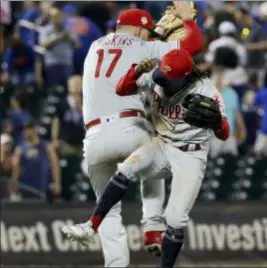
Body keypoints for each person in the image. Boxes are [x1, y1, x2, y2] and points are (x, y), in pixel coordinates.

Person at [61, 3, 203, 267]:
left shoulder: (93, 47)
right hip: (130, 130)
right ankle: (152, 226)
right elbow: (193, 45)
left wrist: (155, 32)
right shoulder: (142, 46)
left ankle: (115, 264)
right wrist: (186, 20)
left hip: (93, 139)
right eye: (147, 32)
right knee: (157, 157)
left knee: (108, 211)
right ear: (140, 31)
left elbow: (124, 56)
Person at [74, 49, 229, 268]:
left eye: (168, 78)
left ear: (183, 77)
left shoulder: (205, 90)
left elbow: (225, 133)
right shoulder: (158, 75)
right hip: (162, 144)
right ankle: (92, 226)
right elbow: (122, 89)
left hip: (190, 154)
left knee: (175, 219)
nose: (162, 80)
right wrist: (135, 71)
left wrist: (216, 122)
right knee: (126, 168)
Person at [11, 122, 61, 201]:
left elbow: (55, 165)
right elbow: (16, 168)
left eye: (29, 129)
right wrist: (14, 186)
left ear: (34, 130)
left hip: (44, 186)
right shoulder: (20, 149)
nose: (26, 132)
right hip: (26, 187)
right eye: (25, 129)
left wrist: (57, 183)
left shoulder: (47, 146)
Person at [38, 6, 79, 88]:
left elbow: (78, 45)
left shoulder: (68, 29)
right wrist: (56, 38)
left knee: (67, 89)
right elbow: (43, 45)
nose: (57, 19)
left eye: (58, 16)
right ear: (50, 18)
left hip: (66, 63)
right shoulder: (46, 30)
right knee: (53, 90)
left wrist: (70, 38)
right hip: (52, 64)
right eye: (54, 17)